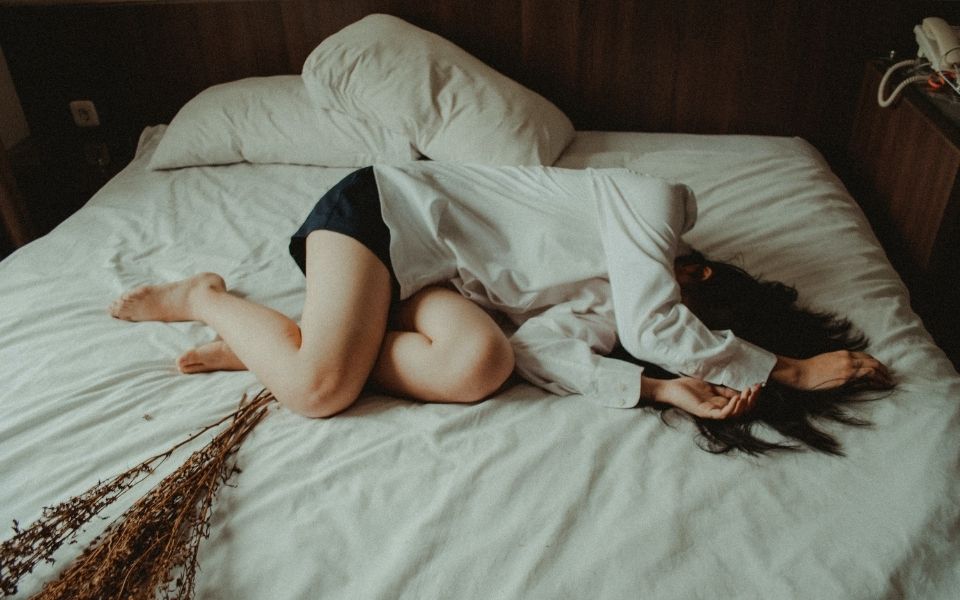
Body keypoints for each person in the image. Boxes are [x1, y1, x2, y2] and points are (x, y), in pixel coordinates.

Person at [109, 164, 892, 439]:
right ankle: (206, 298)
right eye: (694, 317)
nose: (666, 325)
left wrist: (659, 387)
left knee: (484, 360)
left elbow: (539, 351)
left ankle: (274, 344)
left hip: (438, 283)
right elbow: (662, 322)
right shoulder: (651, 204)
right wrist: (784, 371)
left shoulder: (619, 310)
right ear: (698, 274)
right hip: (387, 215)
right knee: (321, 390)